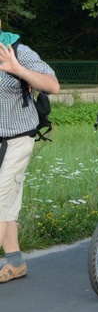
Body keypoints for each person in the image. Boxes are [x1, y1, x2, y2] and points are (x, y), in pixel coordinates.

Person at [0, 21, 60, 283]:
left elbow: (52, 85)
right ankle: (15, 263)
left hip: (16, 139)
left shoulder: (18, 50)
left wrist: (18, 70)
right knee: (7, 205)